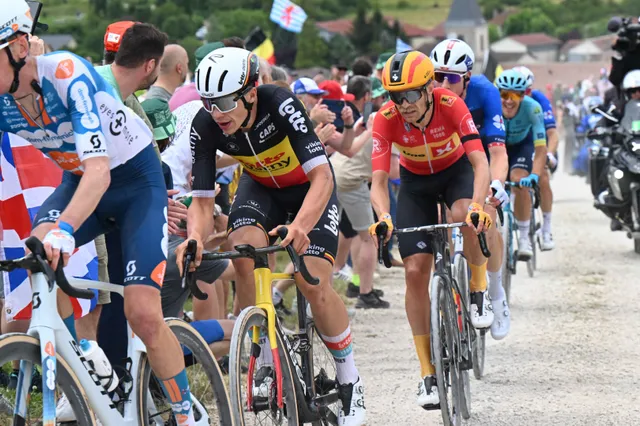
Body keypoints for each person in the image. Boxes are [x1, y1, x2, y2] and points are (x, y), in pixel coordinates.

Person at [0, 2, 197, 424]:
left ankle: (186, 413)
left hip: (133, 184)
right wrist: (56, 232)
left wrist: (66, 228)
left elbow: (100, 171)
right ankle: (88, 357)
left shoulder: (67, 74)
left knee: (142, 313)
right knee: (40, 255)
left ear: (19, 48)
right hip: (80, 179)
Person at [175, 47, 366, 425]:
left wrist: (300, 227)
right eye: (210, 102)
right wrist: (195, 236)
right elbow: (199, 200)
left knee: (310, 281)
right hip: (261, 189)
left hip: (309, 191)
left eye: (226, 101)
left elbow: (323, 177)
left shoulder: (280, 103)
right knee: (243, 250)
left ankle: (349, 377)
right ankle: (263, 356)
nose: (218, 112)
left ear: (250, 92)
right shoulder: (206, 124)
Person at [368, 50, 494, 408]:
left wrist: (477, 205)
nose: (402, 104)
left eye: (409, 94)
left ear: (427, 89)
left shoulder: (451, 104)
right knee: (414, 270)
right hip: (415, 185)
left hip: (456, 174)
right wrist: (383, 215)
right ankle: (427, 373)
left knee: (462, 215)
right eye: (395, 96)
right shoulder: (386, 117)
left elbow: (480, 162)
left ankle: (478, 287)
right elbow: (377, 179)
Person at [430, 38, 510, 340]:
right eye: (437, 77)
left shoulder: (485, 93)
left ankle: (496, 293)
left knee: (485, 216)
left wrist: (497, 184)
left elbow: (499, 152)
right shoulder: (428, 97)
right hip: (449, 163)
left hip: (483, 159)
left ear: (466, 78)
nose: (443, 84)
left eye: (450, 78)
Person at [495, 69, 548, 260]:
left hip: (521, 146)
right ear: (497, 93)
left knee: (520, 181)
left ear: (524, 94)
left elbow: (541, 148)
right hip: (496, 146)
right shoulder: (491, 106)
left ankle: (524, 238)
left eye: (516, 94)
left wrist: (534, 175)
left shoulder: (532, 108)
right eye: (504, 94)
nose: (509, 100)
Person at [513, 65, 557, 250]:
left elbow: (552, 134)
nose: (524, 94)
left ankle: (546, 228)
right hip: (515, 144)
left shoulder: (539, 100)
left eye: (527, 90)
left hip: (537, 143)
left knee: (543, 177)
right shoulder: (506, 100)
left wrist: (549, 155)